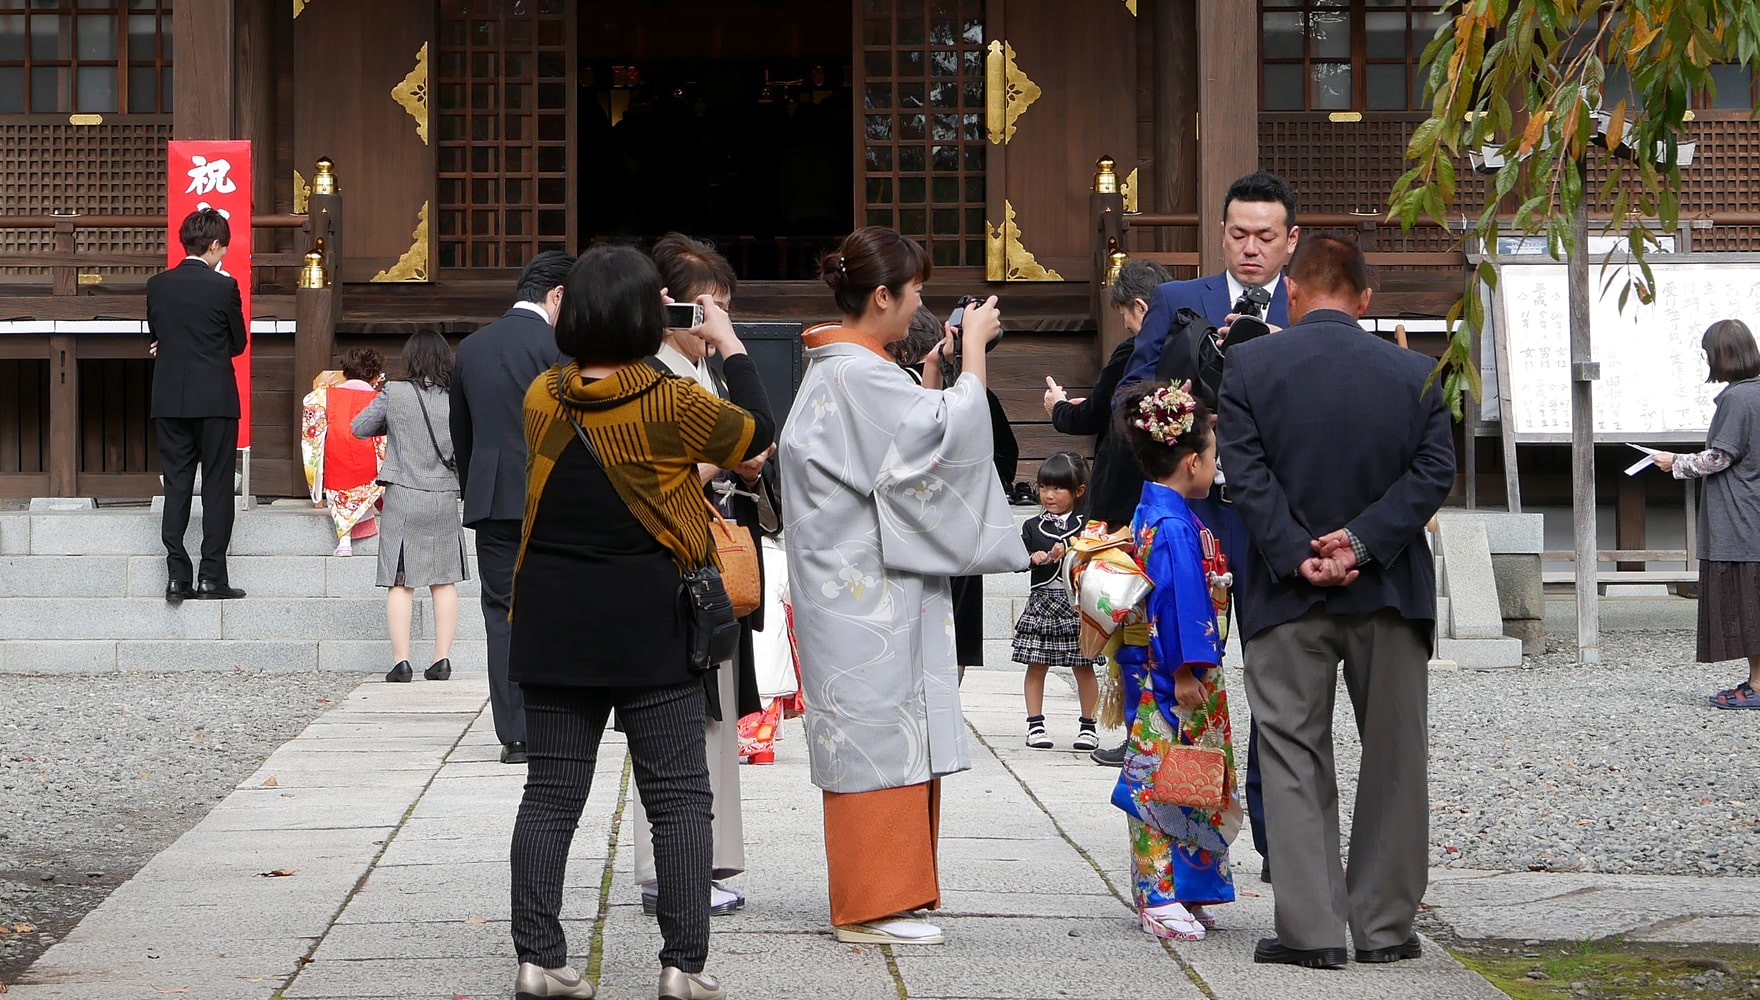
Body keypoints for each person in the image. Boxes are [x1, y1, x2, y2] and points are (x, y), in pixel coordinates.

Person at [507, 245, 773, 1000]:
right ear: (645, 318)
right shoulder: (672, 400)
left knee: (551, 793)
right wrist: (727, 341)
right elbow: (755, 434)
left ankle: (538, 960)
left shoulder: (542, 395)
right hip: (649, 614)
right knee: (679, 796)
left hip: (552, 613)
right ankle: (683, 966)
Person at [779, 227, 1025, 946]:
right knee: (878, 735)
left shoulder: (848, 369)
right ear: (882, 296)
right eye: (915, 291)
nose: (920, 304)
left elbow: (913, 443)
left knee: (888, 732)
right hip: (864, 592)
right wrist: (974, 350)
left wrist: (940, 372)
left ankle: (897, 890)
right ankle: (871, 903)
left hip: (861, 585)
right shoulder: (856, 374)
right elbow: (945, 432)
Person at [1217, 236, 1453, 969]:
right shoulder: (1415, 372)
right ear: (1365, 299)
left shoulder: (1250, 366)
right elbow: (1434, 472)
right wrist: (1359, 543)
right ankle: (1384, 926)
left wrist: (1299, 552)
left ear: (1292, 294)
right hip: (1389, 590)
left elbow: (1245, 475)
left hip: (1285, 592)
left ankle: (1312, 929)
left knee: (1292, 751)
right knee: (1394, 756)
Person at [1121, 171, 1303, 879]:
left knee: (1279, 682)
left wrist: (1279, 350)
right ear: (1220, 233)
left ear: (1290, 240)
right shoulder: (1178, 300)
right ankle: (1181, 847)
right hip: (1189, 520)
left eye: (1265, 236)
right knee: (1181, 682)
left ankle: (1277, 840)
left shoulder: (1304, 309)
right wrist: (1190, 405)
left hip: (1272, 522)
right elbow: (1130, 397)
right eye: (1238, 234)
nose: (1250, 248)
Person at [629, 232, 781, 918]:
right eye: (705, 308)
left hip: (710, 565)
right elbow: (665, 478)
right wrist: (731, 458)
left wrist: (742, 465)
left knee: (712, 717)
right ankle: (667, 870)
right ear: (668, 308)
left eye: (724, 308)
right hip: (674, 566)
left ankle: (702, 859)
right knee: (678, 724)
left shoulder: (694, 372)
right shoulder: (655, 375)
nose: (716, 322)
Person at [1109, 380, 1238, 942]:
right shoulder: (1174, 525)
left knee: (1190, 776)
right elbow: (1178, 599)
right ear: (1191, 463)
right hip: (1170, 671)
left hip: (1161, 663)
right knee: (1159, 780)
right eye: (1212, 456)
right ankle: (1159, 895)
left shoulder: (1156, 511)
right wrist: (1185, 670)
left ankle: (1186, 886)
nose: (1215, 466)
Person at [1045, 259, 1172, 767]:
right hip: (1171, 505)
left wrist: (1058, 406)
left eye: (1125, 313)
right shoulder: (1188, 351)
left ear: (1140, 307)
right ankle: (1161, 734)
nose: (1124, 322)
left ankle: (1140, 737)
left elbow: (1092, 414)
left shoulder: (1136, 352)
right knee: (1164, 626)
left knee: (1129, 626)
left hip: (1123, 511)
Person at [450, 250, 574, 765]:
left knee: (501, 613)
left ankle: (515, 735)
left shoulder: (472, 347)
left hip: (492, 497)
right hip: (554, 496)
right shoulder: (560, 348)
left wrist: (473, 485)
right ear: (557, 295)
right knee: (558, 607)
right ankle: (559, 722)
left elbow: (462, 433)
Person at [897, 305, 1020, 682]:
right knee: (958, 630)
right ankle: (949, 699)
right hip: (963, 522)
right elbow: (1006, 453)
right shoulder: (971, 393)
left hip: (911, 527)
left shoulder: (893, 386)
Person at [1653, 319, 1760, 710]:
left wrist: (1675, 462)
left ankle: (1758, 686)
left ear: (1722, 355)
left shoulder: (1739, 398)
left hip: (1740, 518)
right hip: (1754, 512)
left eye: (1708, 354)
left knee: (1749, 608)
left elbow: (1720, 457)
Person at [350, 332, 468, 685]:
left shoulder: (396, 392)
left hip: (403, 494)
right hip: (444, 493)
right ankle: (441, 659)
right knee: (443, 580)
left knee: (400, 582)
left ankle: (401, 663)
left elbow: (359, 427)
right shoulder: (456, 396)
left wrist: (393, 424)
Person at [147, 207, 248, 604]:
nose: (223, 255)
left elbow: (157, 335)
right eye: (223, 248)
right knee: (218, 486)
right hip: (215, 398)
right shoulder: (224, 287)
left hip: (169, 397)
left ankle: (177, 575)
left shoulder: (158, 285)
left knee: (177, 485)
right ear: (214, 244)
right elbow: (237, 343)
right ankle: (211, 577)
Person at [1013, 451, 1100, 751]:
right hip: (1042, 603)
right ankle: (1035, 724)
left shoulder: (1088, 526)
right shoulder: (1031, 525)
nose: (1048, 495)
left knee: (1083, 666)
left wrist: (1071, 548)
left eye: (1058, 488)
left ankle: (1088, 726)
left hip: (1077, 605)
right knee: (1036, 664)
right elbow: (1015, 557)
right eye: (1043, 487)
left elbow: (1097, 553)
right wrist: (1031, 558)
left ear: (1079, 491)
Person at [302, 347, 387, 558]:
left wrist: (322, 387)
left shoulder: (325, 395)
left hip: (337, 460)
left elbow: (310, 408)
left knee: (340, 500)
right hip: (369, 463)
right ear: (376, 376)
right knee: (378, 485)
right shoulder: (379, 398)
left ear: (346, 372)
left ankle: (344, 541)